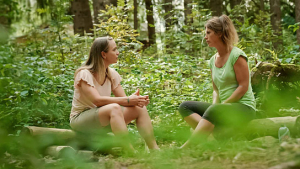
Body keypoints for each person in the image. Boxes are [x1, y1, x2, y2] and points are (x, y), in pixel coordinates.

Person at [70, 36, 159, 152]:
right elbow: (97, 101)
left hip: (103, 118)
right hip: (81, 120)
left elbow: (124, 100)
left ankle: (154, 149)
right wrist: (127, 100)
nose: (118, 53)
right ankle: (129, 151)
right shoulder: (84, 74)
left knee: (139, 108)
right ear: (103, 54)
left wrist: (137, 100)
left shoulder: (112, 74)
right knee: (114, 108)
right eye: (114, 50)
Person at [179, 15, 256, 148]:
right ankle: (213, 137)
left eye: (208, 33)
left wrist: (221, 107)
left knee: (215, 110)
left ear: (219, 34)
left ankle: (187, 147)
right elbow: (216, 89)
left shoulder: (237, 56)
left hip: (244, 108)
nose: (205, 37)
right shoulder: (212, 60)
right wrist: (215, 106)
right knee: (184, 106)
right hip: (223, 108)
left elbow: (243, 87)